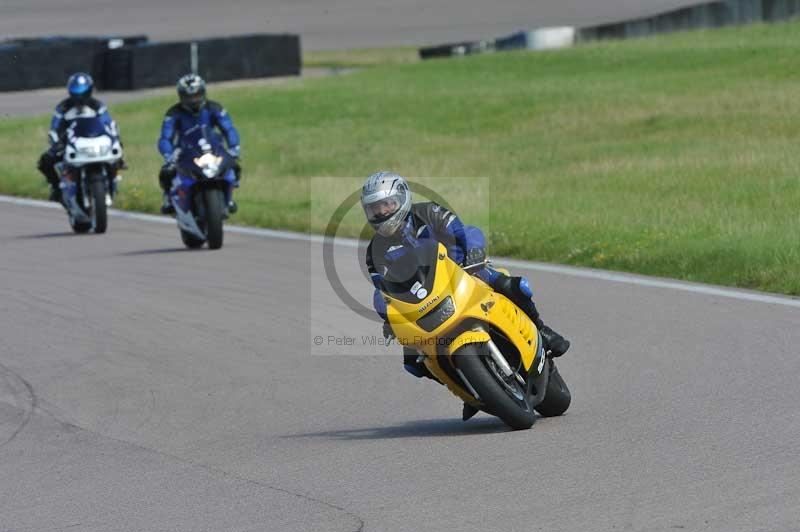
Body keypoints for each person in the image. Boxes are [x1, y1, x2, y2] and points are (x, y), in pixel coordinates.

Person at [361, 171, 570, 381]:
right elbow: (382, 291)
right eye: (374, 208)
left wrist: (474, 251)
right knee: (414, 363)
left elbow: (465, 232)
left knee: (513, 286)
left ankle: (542, 330)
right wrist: (389, 316)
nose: (381, 212)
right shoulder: (374, 251)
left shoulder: (429, 211)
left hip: (464, 272)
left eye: (386, 204)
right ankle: (460, 382)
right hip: (421, 301)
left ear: (402, 198)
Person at [157, 73, 241, 214]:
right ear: (181, 96)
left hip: (212, 147)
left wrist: (234, 147)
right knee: (166, 172)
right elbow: (165, 137)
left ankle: (230, 197)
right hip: (184, 149)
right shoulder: (173, 113)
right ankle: (168, 199)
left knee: (234, 165)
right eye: (188, 97)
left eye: (196, 95)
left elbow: (229, 129)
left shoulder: (214, 108)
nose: (193, 100)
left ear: (203, 93)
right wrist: (168, 154)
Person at [37, 73, 123, 202]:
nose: (79, 99)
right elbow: (55, 127)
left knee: (118, 150)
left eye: (83, 94)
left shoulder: (97, 106)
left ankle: (113, 179)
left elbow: (108, 123)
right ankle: (56, 188)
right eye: (76, 94)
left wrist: (114, 137)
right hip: (70, 143)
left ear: (89, 91)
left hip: (94, 141)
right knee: (45, 161)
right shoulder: (63, 108)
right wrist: (56, 141)